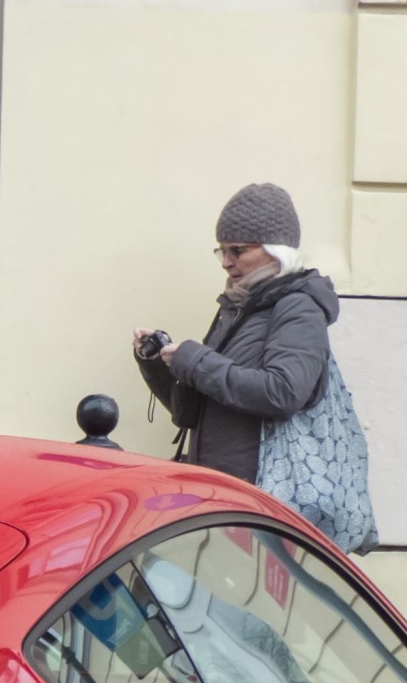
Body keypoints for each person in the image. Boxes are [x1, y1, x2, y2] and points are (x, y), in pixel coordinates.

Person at [133, 183, 339, 484]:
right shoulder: (238, 306)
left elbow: (283, 392)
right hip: (222, 489)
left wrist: (196, 361)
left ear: (275, 250)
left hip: (263, 494)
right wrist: (157, 363)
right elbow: (195, 411)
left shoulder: (299, 306)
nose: (227, 262)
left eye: (238, 251)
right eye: (223, 251)